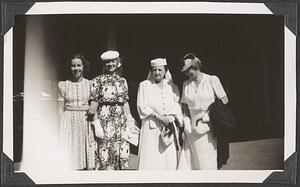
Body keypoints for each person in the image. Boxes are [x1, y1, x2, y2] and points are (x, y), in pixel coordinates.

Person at [179, 53, 228, 170]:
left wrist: (207, 116)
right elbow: (185, 106)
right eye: (185, 72)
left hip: (208, 128)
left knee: (206, 163)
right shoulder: (186, 84)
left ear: (196, 66)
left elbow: (225, 100)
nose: (187, 74)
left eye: (188, 70)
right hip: (191, 130)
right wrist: (186, 122)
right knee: (189, 163)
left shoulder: (212, 80)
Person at [87, 50, 132, 170]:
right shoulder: (97, 80)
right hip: (105, 119)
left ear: (117, 63)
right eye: (107, 62)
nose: (111, 64)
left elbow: (125, 102)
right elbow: (93, 103)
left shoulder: (123, 81)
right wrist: (96, 124)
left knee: (120, 149)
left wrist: (130, 120)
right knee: (105, 150)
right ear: (103, 64)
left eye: (113, 61)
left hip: (120, 121)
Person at [137, 58, 183, 170]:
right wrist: (158, 116)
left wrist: (172, 116)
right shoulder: (144, 85)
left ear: (165, 71)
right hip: (151, 127)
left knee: (167, 159)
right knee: (151, 159)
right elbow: (141, 106)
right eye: (154, 70)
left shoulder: (172, 87)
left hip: (167, 127)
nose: (157, 72)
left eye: (159, 70)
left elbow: (177, 105)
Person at [58, 53, 96, 170]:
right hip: (68, 120)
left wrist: (94, 105)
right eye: (73, 66)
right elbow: (60, 107)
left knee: (84, 149)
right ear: (69, 68)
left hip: (85, 120)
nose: (76, 69)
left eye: (79, 65)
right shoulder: (63, 85)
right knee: (69, 149)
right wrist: (60, 125)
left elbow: (95, 101)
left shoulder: (90, 84)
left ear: (83, 67)